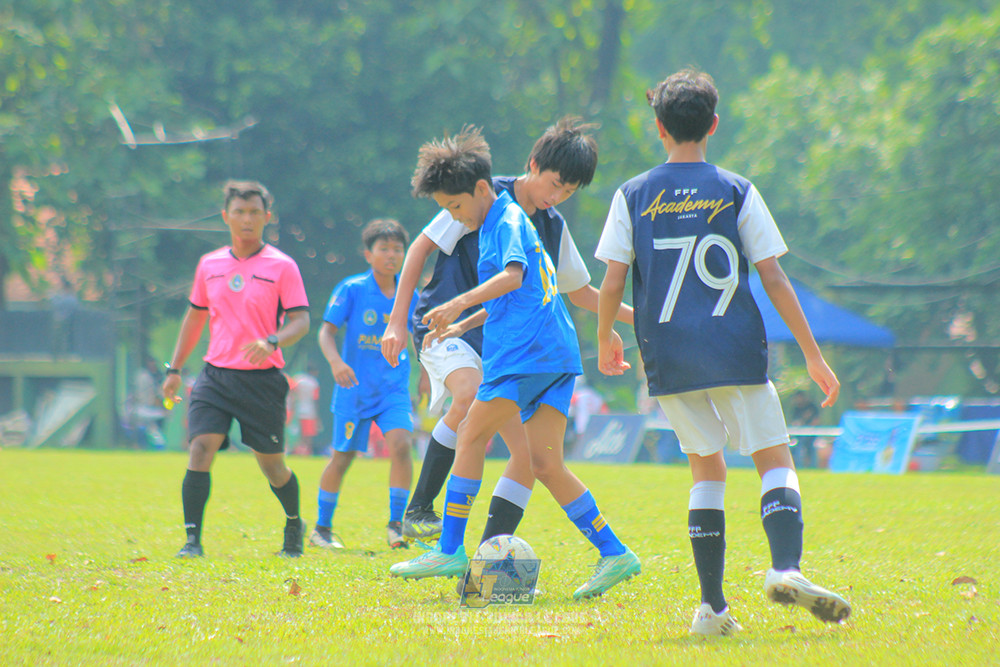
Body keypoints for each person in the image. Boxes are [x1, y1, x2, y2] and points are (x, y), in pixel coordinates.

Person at [595, 69, 851, 635]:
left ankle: (712, 609)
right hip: (731, 345)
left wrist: (607, 336)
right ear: (713, 124)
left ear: (658, 127)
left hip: (667, 351)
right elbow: (774, 278)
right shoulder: (735, 188)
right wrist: (811, 354)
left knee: (705, 469)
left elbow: (612, 281)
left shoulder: (631, 194)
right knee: (773, 460)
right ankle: (785, 568)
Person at [388, 127, 640, 600]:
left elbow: (512, 276)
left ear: (480, 191)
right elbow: (528, 291)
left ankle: (448, 548)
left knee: (472, 432)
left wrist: (457, 305)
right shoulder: (511, 217)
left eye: (456, 207)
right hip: (556, 354)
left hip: (522, 354)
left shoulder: (502, 219)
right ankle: (614, 552)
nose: (454, 216)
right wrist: (467, 325)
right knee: (544, 462)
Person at [161, 180, 310, 559]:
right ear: (226, 216)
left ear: (267, 217)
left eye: (254, 212)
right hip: (215, 376)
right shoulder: (209, 265)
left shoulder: (282, 266)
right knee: (200, 449)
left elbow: (301, 322)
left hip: (262, 380)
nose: (247, 219)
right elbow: (195, 318)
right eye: (239, 212)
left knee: (273, 467)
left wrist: (272, 340)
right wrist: (175, 368)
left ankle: (294, 523)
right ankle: (192, 541)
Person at [312, 219, 418, 551]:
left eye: (398, 249)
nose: (392, 255)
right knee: (342, 458)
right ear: (368, 254)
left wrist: (427, 371)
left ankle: (396, 526)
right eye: (384, 249)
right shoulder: (352, 288)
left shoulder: (408, 293)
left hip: (393, 388)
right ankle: (321, 529)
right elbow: (326, 332)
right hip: (354, 389)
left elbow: (417, 335)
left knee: (401, 444)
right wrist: (336, 363)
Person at [290, 364, 322, 455]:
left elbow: (292, 394)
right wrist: (317, 415)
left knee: (299, 433)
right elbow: (315, 399)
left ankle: (298, 451)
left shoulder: (298, 379)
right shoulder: (314, 382)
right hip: (310, 411)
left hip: (298, 409)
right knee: (308, 435)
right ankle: (307, 451)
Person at [789, 390, 821, 468]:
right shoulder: (796, 408)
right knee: (797, 447)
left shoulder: (811, 406)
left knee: (811, 448)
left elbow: (816, 420)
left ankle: (813, 466)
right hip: (800, 434)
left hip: (811, 433)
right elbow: (794, 421)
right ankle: (799, 465)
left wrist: (809, 426)